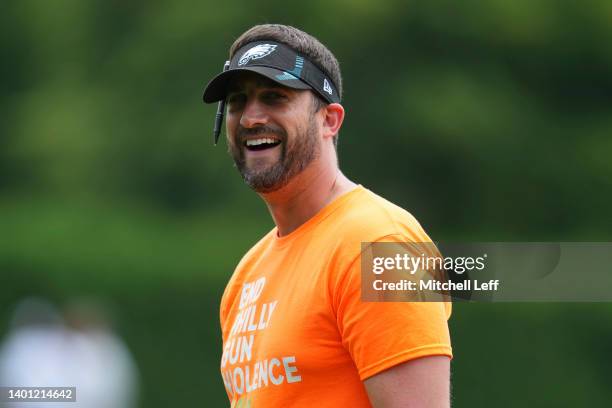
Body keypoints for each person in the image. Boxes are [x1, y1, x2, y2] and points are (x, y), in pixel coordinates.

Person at [202, 24, 452, 407]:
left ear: (329, 120)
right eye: (237, 101)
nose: (251, 118)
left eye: (275, 97)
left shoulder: (381, 243)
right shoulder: (247, 274)